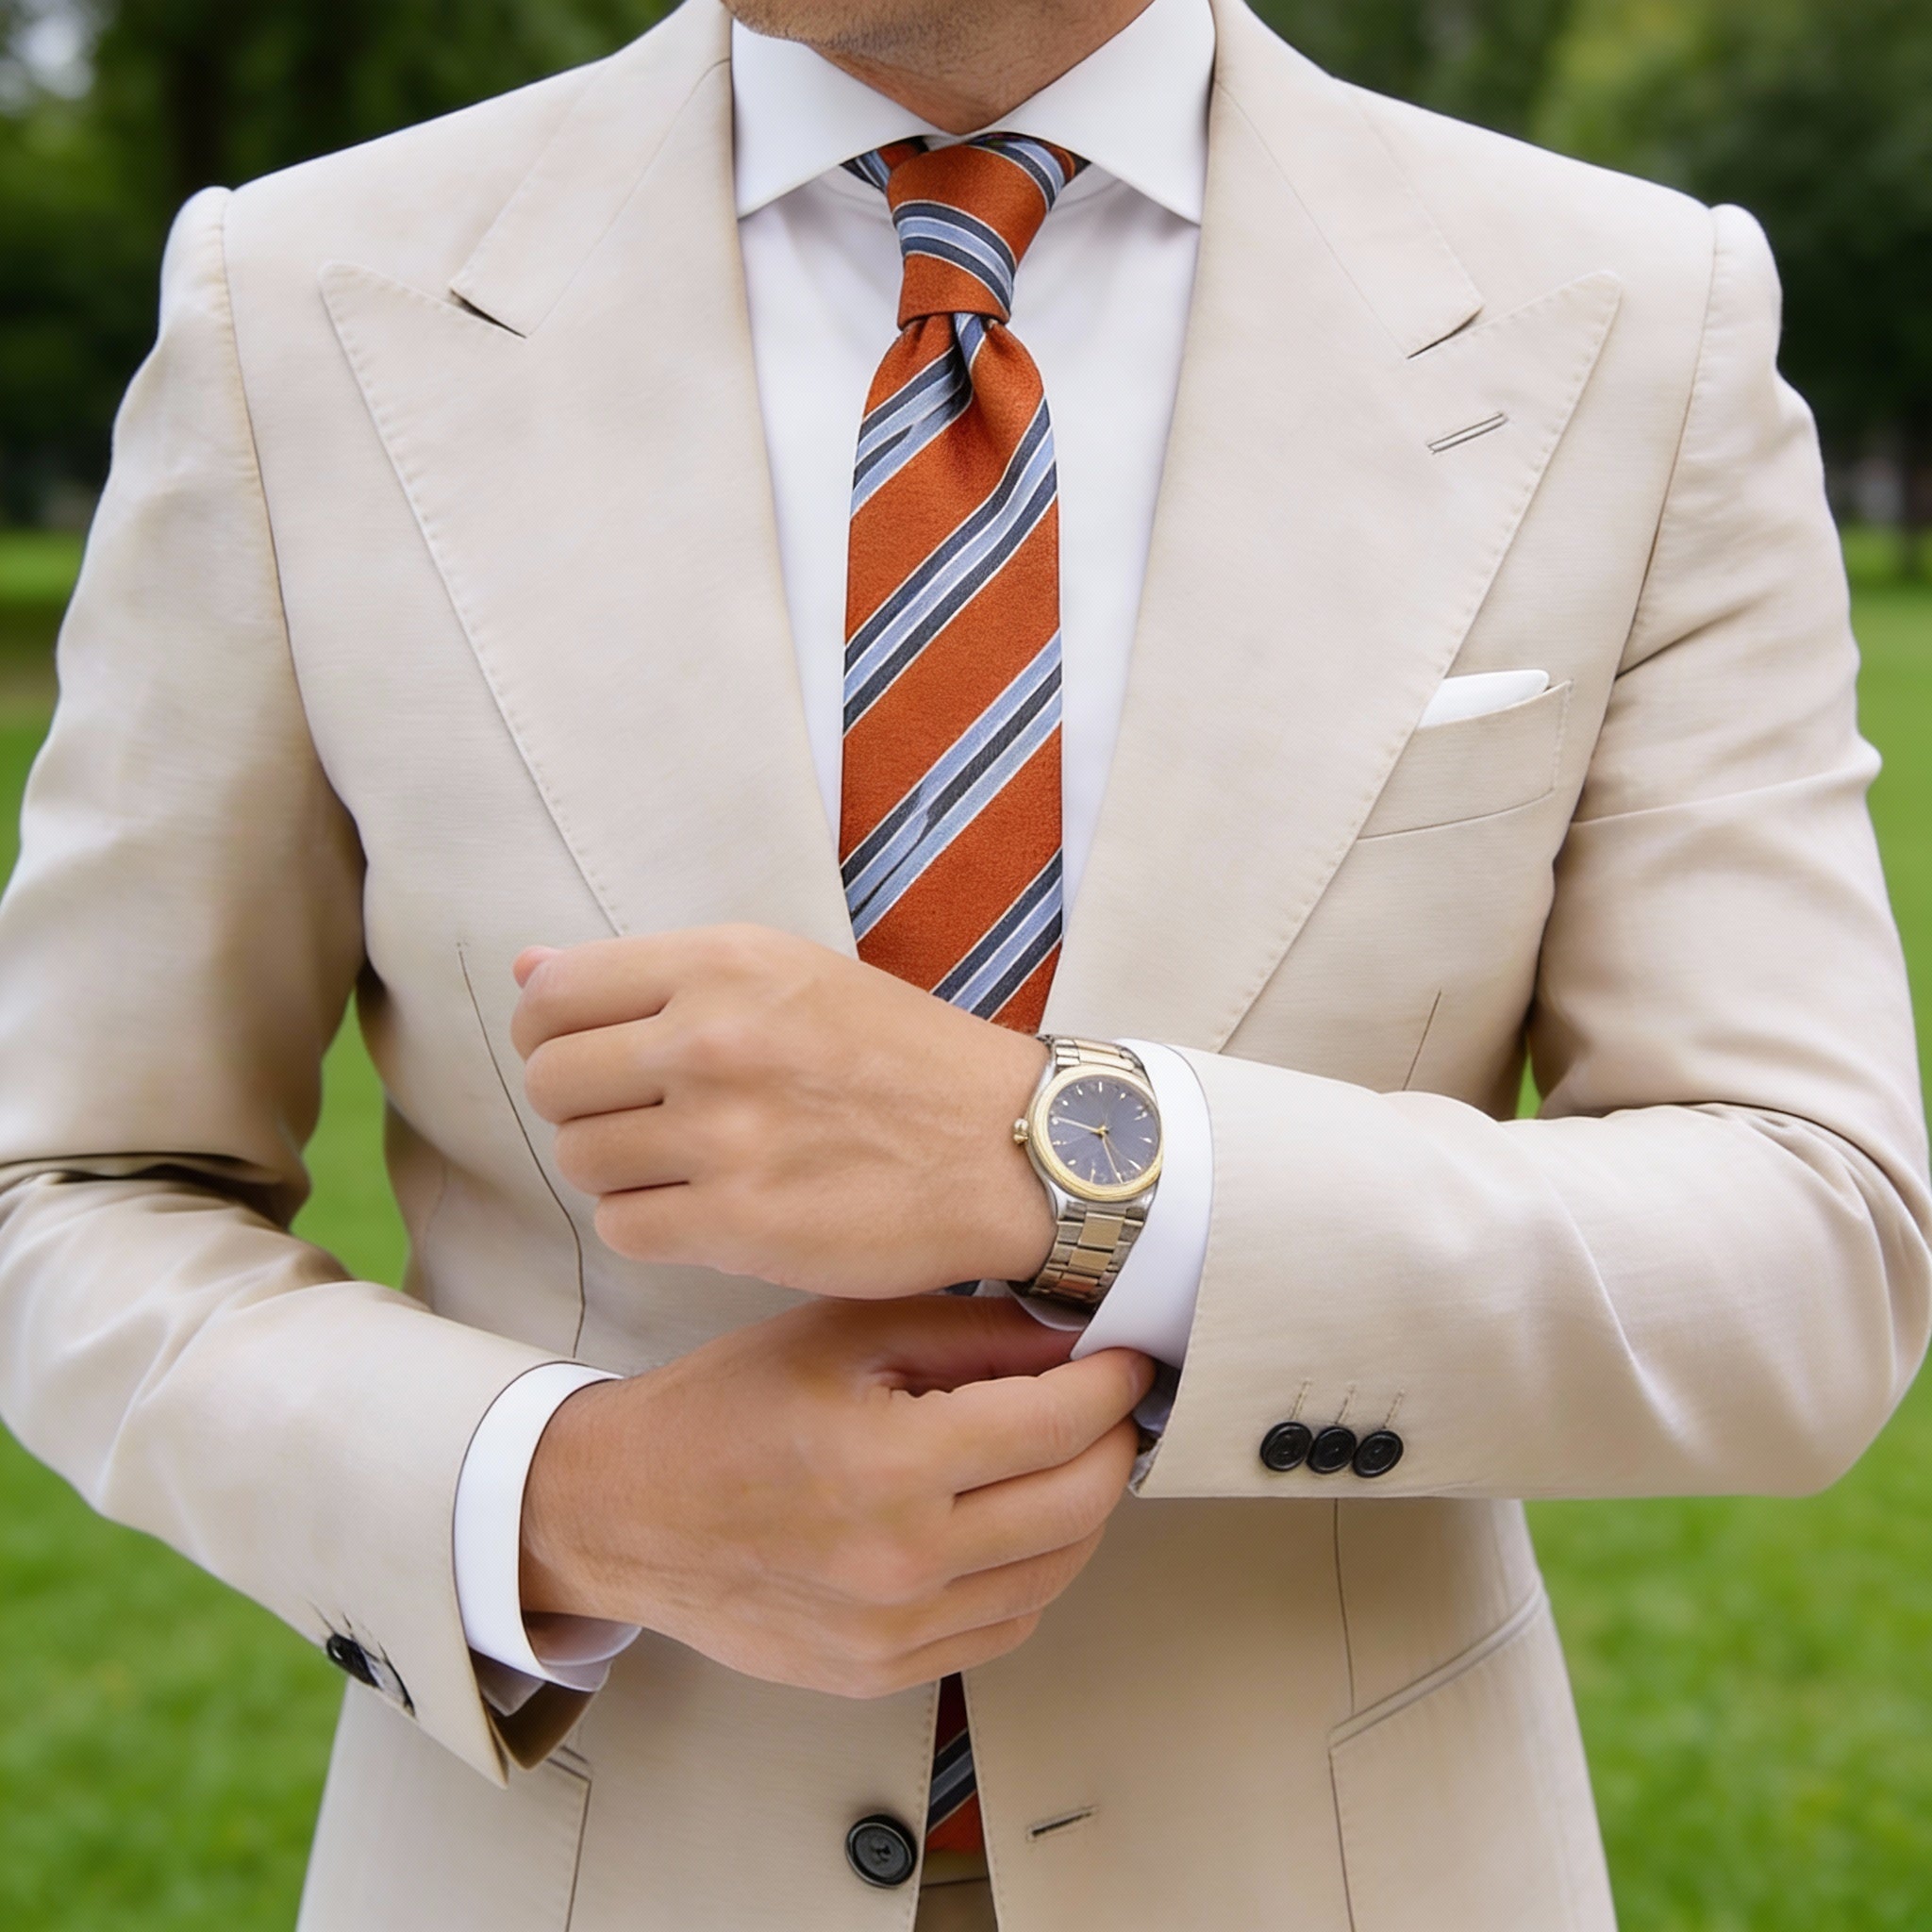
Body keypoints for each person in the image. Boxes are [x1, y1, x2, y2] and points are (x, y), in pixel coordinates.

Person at [0, 0, 1925, 1924]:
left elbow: (1815, 1239)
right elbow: (64, 1186)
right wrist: (568, 1498)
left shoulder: (1630, 314)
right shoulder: (303, 302)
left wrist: (1067, 1158)